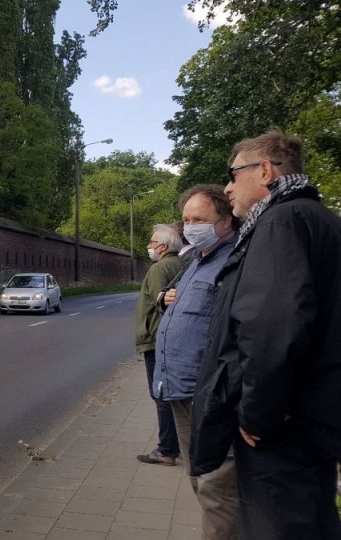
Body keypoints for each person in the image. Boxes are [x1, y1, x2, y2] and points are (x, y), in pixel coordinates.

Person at [191, 131, 341, 539]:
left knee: (278, 525)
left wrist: (259, 413)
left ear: (265, 170)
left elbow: (273, 325)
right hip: (312, 417)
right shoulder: (320, 219)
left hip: (279, 430)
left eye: (233, 174)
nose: (228, 187)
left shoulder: (281, 221)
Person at [154, 185, 239, 539]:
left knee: (218, 488)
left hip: (208, 393)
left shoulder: (234, 261)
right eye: (187, 219)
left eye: (200, 219)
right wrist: (163, 299)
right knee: (199, 480)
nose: (190, 226)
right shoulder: (197, 259)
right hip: (180, 389)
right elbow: (180, 303)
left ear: (224, 220)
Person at [135, 224, 185, 466]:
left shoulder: (158, 269)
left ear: (163, 246)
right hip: (174, 339)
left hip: (156, 338)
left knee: (161, 394)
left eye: (152, 242)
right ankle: (179, 444)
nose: (149, 246)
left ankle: (166, 450)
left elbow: (161, 303)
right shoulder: (182, 264)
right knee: (173, 394)